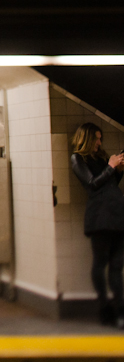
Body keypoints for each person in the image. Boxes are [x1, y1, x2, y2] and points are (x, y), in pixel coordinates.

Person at [70, 122, 124, 327]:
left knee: (117, 266)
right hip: (100, 217)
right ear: (87, 139)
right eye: (97, 139)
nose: (100, 143)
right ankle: (105, 308)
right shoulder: (78, 158)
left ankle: (120, 309)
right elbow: (93, 185)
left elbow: (109, 184)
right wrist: (111, 167)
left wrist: (118, 170)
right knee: (100, 264)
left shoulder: (102, 157)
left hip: (117, 214)